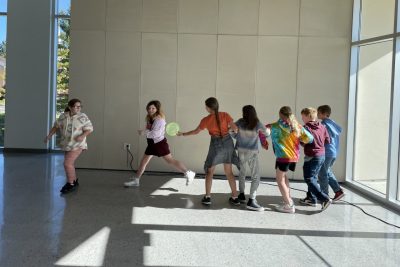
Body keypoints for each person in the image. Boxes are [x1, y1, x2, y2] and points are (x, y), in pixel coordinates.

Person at [178, 97, 240, 206]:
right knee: (229, 172)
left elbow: (195, 132)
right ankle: (235, 197)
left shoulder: (206, 120)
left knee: (210, 171)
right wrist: (227, 130)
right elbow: (235, 129)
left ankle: (207, 197)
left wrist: (182, 134)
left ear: (208, 108)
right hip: (228, 143)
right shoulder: (225, 115)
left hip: (215, 145)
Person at [123, 100, 195, 187]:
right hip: (151, 144)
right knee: (143, 162)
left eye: (153, 108)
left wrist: (143, 132)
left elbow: (155, 133)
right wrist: (144, 131)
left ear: (157, 109)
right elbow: (149, 130)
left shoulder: (159, 120)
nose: (151, 110)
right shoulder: (149, 118)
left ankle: (188, 173)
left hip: (159, 144)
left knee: (170, 161)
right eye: (149, 108)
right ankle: (136, 180)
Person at [267, 106, 313, 213]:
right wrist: (301, 141)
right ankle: (288, 199)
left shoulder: (275, 126)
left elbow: (263, 131)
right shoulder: (297, 126)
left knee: (279, 180)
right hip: (293, 157)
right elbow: (310, 138)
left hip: (283, 157)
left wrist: (264, 141)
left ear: (280, 114)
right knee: (284, 177)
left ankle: (288, 205)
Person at [44, 98, 93, 194]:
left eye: (80, 106)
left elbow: (90, 129)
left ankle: (70, 183)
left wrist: (82, 136)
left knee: (67, 164)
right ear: (70, 107)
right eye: (76, 106)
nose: (79, 108)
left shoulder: (83, 117)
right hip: (67, 144)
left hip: (78, 144)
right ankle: (74, 181)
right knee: (69, 164)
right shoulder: (63, 116)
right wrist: (49, 136)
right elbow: (56, 127)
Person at [233, 105, 270, 211]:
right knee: (255, 176)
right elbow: (267, 133)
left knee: (242, 173)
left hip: (241, 151)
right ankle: (252, 200)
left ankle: (241, 194)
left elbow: (231, 131)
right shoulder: (257, 123)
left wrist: (237, 137)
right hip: (252, 153)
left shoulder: (240, 121)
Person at [299, 107, 332, 211]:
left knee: (309, 178)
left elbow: (304, 142)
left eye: (303, 116)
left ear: (308, 116)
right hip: (322, 156)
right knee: (313, 178)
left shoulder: (305, 128)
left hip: (312, 156)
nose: (302, 118)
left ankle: (324, 198)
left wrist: (300, 141)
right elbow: (328, 140)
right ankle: (311, 198)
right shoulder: (322, 126)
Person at [317, 105, 344, 201]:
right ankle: (338, 191)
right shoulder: (332, 123)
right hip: (333, 153)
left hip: (327, 153)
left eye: (319, 112)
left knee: (322, 174)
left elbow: (323, 139)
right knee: (327, 171)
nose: (317, 114)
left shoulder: (323, 125)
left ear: (324, 114)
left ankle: (324, 196)